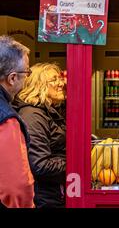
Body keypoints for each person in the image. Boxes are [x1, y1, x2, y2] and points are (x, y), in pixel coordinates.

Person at [13, 63, 66, 208]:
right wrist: (75, 164)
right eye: (54, 79)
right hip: (44, 197)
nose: (61, 83)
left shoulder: (46, 112)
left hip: (53, 193)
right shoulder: (33, 115)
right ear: (39, 85)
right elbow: (40, 164)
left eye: (60, 78)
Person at [0, 35, 35, 208]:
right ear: (12, 78)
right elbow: (16, 188)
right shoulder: (6, 119)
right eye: (27, 72)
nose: (27, 78)